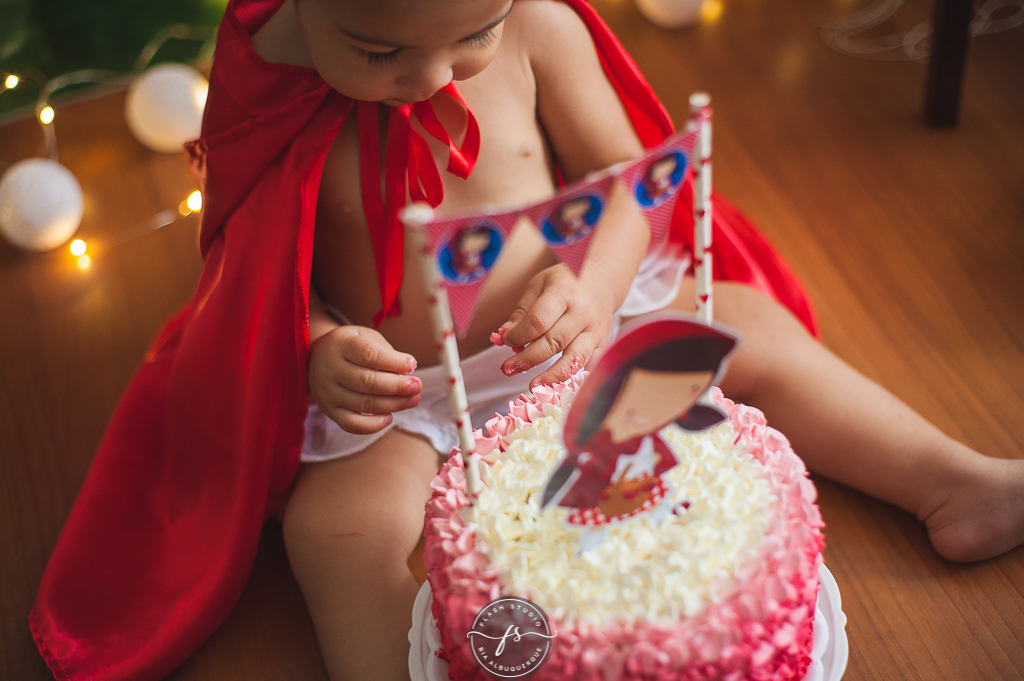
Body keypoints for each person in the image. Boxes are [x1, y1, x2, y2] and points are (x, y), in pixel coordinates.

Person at [29, 0, 1024, 680]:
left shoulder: (539, 28)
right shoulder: (265, 72)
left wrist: (592, 289)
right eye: (378, 50)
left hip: (575, 334)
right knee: (336, 531)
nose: (426, 76)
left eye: (470, 35)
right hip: (407, 394)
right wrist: (316, 346)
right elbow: (248, 263)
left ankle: (952, 480)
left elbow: (636, 182)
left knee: (744, 330)